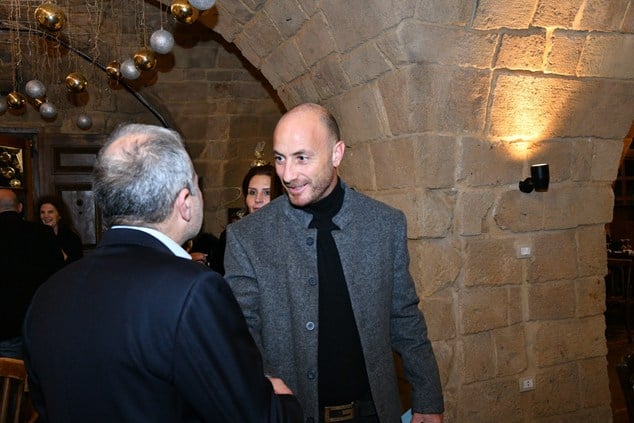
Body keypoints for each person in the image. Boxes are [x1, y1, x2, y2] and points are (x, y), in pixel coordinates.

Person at [22, 123, 302, 422]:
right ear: (185, 202)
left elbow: (43, 401)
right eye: (197, 185)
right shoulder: (194, 291)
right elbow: (251, 415)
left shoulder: (49, 292)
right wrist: (284, 402)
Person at [224, 103, 444, 423]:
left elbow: (405, 318)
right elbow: (240, 327)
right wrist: (264, 379)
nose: (287, 174)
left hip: (373, 414)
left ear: (336, 154)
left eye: (302, 157)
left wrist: (428, 398)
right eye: (280, 158)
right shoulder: (248, 236)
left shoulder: (384, 224)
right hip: (290, 415)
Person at [0, 189, 63, 359]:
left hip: (3, 326)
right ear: (20, 208)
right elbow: (58, 276)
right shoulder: (42, 233)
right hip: (36, 321)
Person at [208, 163, 282, 274]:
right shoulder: (231, 236)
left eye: (267, 193)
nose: (258, 199)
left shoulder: (292, 235)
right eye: (252, 192)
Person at [37, 195, 84, 263]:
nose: (46, 216)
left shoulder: (72, 238)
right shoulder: (34, 236)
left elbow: (77, 264)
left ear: (59, 215)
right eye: (42, 212)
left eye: (50, 212)